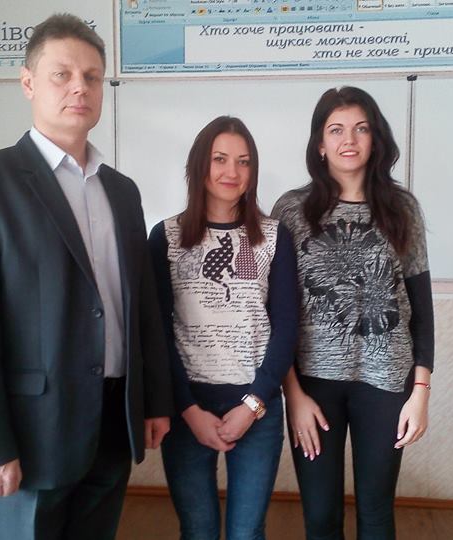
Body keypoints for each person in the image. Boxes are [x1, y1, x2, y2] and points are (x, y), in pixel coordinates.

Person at [0, 14, 172, 540]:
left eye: (91, 76)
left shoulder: (121, 191)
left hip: (112, 424)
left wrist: (152, 401)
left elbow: (141, 306)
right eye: (62, 74)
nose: (79, 87)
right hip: (27, 437)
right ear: (28, 83)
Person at [271, 86, 435, 540]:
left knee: (377, 514)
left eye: (361, 129)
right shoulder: (291, 210)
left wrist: (420, 392)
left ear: (376, 139)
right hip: (313, 386)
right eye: (336, 129)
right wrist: (292, 394)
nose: (349, 139)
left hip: (387, 383)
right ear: (319, 144)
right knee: (321, 516)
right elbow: (278, 312)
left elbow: (421, 309)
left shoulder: (402, 209)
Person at [148, 116, 298, 540]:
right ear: (200, 165)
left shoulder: (273, 236)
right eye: (220, 159)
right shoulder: (166, 237)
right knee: (197, 529)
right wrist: (188, 409)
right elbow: (157, 333)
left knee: (247, 532)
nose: (232, 171)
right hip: (188, 405)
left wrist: (253, 404)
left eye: (243, 161)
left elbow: (286, 327)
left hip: (256, 404)